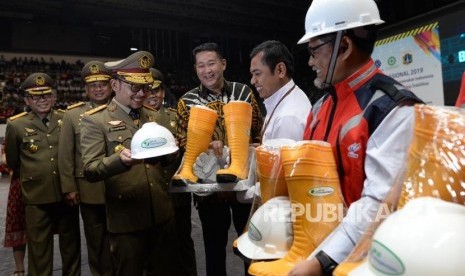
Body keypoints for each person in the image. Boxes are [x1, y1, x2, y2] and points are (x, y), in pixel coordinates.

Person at [287, 0, 423, 275]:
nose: (311, 61)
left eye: (314, 50)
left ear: (345, 46)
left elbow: (380, 203)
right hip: (316, 252)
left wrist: (321, 261)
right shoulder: (320, 107)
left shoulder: (392, 109)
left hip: (366, 261)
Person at [80, 51, 179, 275]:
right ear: (115, 85)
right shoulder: (96, 121)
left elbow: (167, 162)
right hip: (127, 220)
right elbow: (90, 169)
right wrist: (120, 161)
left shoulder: (155, 116)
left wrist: (172, 153)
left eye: (146, 87)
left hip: (162, 214)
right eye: (135, 88)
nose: (142, 94)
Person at [175, 42, 263, 276]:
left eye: (211, 63)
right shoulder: (187, 101)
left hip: (244, 186)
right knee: (213, 251)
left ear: (223, 64)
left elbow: (257, 131)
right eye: (201, 66)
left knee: (251, 246)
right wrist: (206, 146)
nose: (207, 70)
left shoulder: (244, 92)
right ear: (195, 69)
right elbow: (184, 143)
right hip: (209, 191)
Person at [4, 72, 81, 275]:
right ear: (27, 100)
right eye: (36, 96)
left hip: (67, 194)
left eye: (46, 95)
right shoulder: (16, 124)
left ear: (55, 97)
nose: (42, 100)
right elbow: (14, 161)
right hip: (36, 196)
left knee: (71, 246)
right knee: (39, 250)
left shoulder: (67, 119)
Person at [58, 60, 114, 276]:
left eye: (102, 84)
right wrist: (69, 187)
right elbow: (66, 155)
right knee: (96, 241)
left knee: (122, 238)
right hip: (89, 189)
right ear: (85, 88)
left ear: (111, 86)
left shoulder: (122, 109)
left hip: (120, 185)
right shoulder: (73, 115)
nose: (98, 89)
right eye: (93, 85)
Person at [144, 67, 197, 276]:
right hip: (151, 193)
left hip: (178, 193)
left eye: (156, 90)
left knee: (184, 241)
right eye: (147, 90)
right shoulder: (135, 120)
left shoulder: (178, 117)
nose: (151, 95)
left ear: (163, 93)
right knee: (154, 246)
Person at [250, 40, 311, 142]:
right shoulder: (285, 99)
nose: (252, 81)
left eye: (257, 73)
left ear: (280, 70)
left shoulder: (287, 118)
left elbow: (283, 158)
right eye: (252, 74)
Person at [2, 139, 26, 276]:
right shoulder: (15, 127)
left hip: (41, 184)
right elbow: (5, 161)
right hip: (19, 183)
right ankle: (19, 269)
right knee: (17, 225)